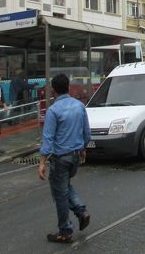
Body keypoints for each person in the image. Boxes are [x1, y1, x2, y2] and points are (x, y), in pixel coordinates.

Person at [38, 74, 91, 244]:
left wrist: (42, 163)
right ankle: (81, 212)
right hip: (75, 157)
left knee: (60, 194)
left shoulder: (53, 110)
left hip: (60, 158)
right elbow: (87, 133)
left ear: (53, 90)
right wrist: (82, 150)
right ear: (68, 87)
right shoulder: (79, 106)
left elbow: (48, 138)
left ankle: (65, 231)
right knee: (65, 187)